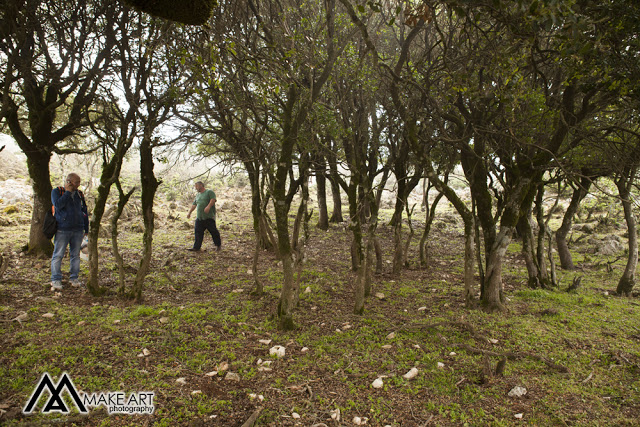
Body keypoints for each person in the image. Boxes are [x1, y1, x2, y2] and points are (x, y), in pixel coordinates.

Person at [50, 173, 88, 291]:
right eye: (76, 182)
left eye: (79, 182)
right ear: (69, 181)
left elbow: (84, 211)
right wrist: (67, 192)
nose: (78, 184)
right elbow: (58, 205)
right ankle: (56, 280)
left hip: (78, 229)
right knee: (58, 255)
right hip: (63, 229)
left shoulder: (79, 194)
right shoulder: (57, 192)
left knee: (75, 255)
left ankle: (74, 278)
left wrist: (86, 229)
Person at [187, 181, 221, 252]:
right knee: (198, 232)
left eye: (196, 186)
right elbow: (194, 204)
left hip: (209, 217)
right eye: (195, 186)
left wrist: (208, 207)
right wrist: (189, 212)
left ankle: (218, 245)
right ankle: (196, 247)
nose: (195, 188)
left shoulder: (209, 192)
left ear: (201, 185)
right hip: (199, 218)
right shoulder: (197, 195)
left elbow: (213, 200)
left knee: (214, 232)